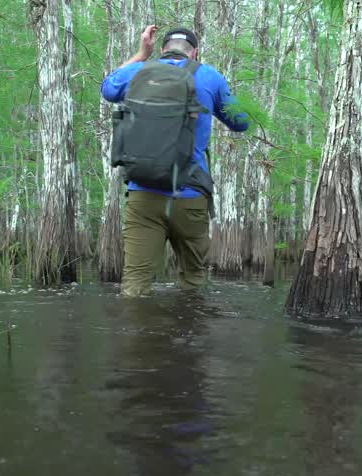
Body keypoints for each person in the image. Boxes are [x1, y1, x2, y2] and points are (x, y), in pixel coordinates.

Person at [101, 26, 250, 296]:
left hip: (143, 195)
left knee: (135, 285)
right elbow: (241, 122)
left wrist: (140, 53)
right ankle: (189, 335)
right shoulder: (209, 76)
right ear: (194, 52)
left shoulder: (139, 71)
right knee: (193, 282)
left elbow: (108, 89)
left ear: (162, 49)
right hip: (190, 195)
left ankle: (136, 336)